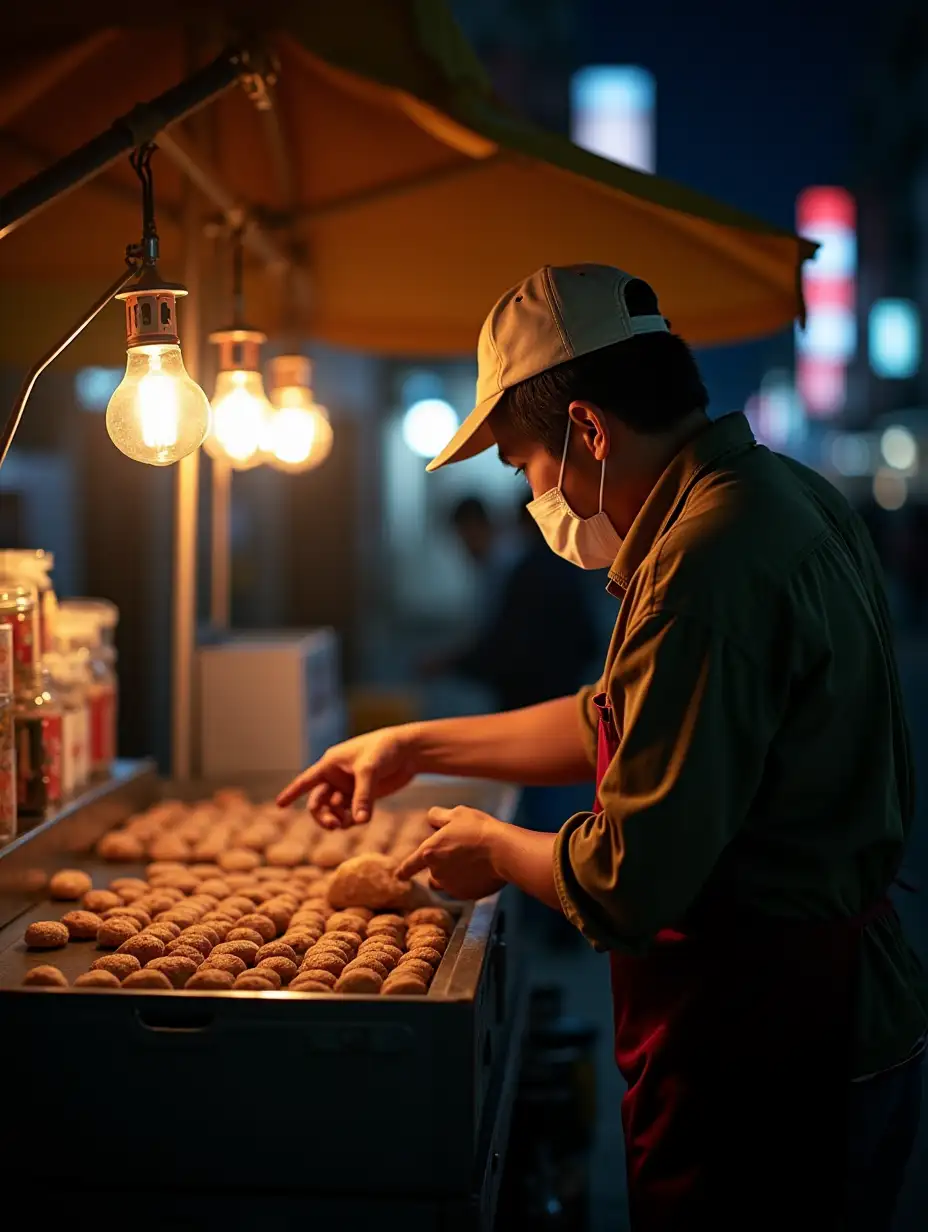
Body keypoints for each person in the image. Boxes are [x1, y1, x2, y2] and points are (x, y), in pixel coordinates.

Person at [280, 264, 927, 1229]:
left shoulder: (707, 563)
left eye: (521, 465)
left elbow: (629, 879)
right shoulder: (770, 498)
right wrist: (412, 747)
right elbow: (615, 719)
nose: (529, 495)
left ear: (586, 430)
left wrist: (496, 849)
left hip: (778, 1047)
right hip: (814, 1019)